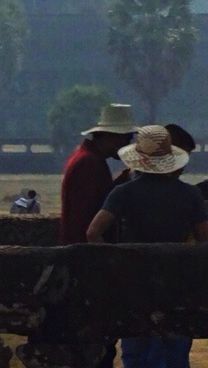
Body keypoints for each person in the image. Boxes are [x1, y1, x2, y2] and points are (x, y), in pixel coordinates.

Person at [87, 125, 208, 368]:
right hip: (177, 280)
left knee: (136, 348)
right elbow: (204, 238)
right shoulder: (189, 195)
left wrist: (114, 263)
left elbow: (93, 232)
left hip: (134, 279)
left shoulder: (123, 193)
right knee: (175, 347)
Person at [60, 103, 136, 244]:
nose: (128, 144)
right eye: (126, 139)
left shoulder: (87, 158)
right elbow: (86, 216)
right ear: (110, 137)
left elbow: (99, 197)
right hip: (85, 253)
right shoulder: (89, 163)